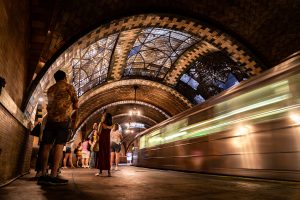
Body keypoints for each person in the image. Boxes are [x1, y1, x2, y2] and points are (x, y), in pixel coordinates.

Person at [37, 70, 78, 185]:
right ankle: (53, 175)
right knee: (59, 146)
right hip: (63, 120)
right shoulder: (69, 87)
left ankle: (43, 173)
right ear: (65, 77)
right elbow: (76, 104)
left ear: (55, 79)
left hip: (50, 120)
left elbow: (48, 105)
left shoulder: (50, 89)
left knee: (46, 146)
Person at [95, 112, 113, 177]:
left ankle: (100, 172)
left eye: (103, 115)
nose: (102, 116)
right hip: (107, 141)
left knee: (101, 155)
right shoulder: (111, 125)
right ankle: (109, 172)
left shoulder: (101, 124)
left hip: (102, 141)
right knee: (107, 155)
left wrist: (97, 130)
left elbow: (99, 133)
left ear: (105, 117)